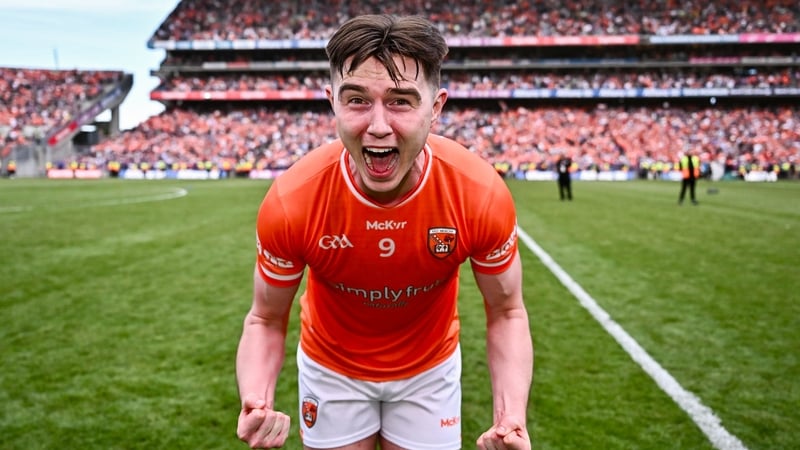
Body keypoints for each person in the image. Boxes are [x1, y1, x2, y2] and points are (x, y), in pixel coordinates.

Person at [235, 14, 533, 450]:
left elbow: (507, 312)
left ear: (436, 107)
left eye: (400, 101)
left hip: (429, 370)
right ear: (331, 101)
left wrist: (511, 418)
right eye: (357, 100)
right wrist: (256, 399)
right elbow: (264, 317)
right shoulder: (292, 201)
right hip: (330, 367)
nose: (378, 126)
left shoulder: (479, 193)